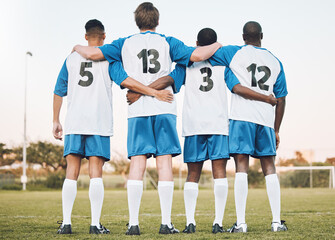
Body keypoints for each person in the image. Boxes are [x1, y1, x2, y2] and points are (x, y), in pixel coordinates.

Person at [72, 2, 222, 235]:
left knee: (137, 164)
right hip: (164, 108)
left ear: (137, 21)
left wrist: (76, 46)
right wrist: (218, 44)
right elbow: (199, 54)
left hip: (137, 111)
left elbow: (92, 53)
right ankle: (166, 223)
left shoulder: (124, 43)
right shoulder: (167, 41)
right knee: (164, 165)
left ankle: (133, 224)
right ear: (157, 21)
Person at [128, 28, 277, 234]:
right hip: (218, 125)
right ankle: (218, 223)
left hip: (193, 125)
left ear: (196, 43)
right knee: (220, 173)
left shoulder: (186, 64)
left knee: (193, 175)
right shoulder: (224, 65)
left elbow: (169, 80)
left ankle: (190, 223)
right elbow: (236, 87)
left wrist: (138, 91)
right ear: (214, 43)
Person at [53, 19, 173, 235]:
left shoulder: (70, 58)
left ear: (85, 35)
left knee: (71, 172)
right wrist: (151, 91)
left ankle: (66, 224)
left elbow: (58, 91)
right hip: (98, 122)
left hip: (74, 122)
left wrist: (55, 120)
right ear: (104, 37)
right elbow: (126, 80)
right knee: (95, 173)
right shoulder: (108, 60)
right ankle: (95, 224)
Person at [209, 21, 288, 233]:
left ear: (243, 36)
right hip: (264, 121)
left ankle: (241, 223)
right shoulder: (275, 60)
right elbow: (281, 99)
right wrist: (276, 129)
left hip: (241, 118)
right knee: (269, 168)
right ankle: (276, 222)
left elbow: (235, 87)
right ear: (261, 35)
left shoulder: (233, 53)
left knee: (241, 168)